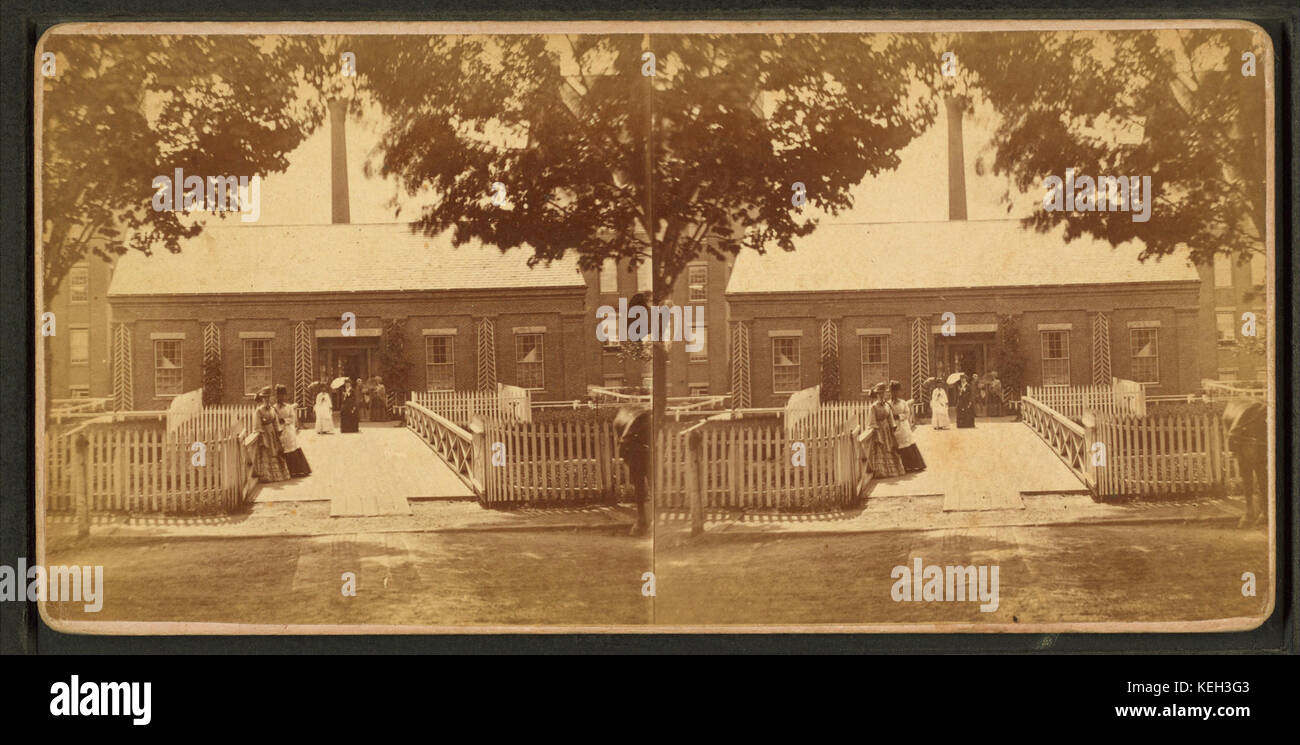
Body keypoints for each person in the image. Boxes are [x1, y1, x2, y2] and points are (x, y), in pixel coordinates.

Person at [1224, 400, 1267, 528]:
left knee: (1263, 476)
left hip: (1259, 441)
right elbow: (1232, 433)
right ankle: (1250, 511)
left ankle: (1265, 511)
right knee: (1250, 475)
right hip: (1248, 444)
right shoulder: (1248, 416)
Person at [614, 405, 652, 536]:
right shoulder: (633, 421)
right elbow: (624, 442)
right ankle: (642, 521)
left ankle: (643, 521)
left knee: (641, 488)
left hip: (640, 454)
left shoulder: (635, 420)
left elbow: (623, 443)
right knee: (641, 488)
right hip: (638, 454)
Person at [856, 382, 905, 478]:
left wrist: (892, 428)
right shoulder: (873, 407)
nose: (882, 395)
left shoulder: (887, 405)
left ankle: (891, 471)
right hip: (879, 430)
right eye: (880, 393)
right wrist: (876, 431)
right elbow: (871, 421)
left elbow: (890, 417)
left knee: (890, 448)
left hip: (887, 430)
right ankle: (881, 472)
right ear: (876, 394)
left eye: (883, 393)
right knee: (880, 449)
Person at [253, 387, 291, 482]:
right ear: (262, 399)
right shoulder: (259, 411)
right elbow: (257, 426)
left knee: (276, 452)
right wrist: (262, 436)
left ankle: (277, 476)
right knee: (267, 453)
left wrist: (278, 431)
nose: (267, 400)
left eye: (268, 398)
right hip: (265, 434)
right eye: (265, 398)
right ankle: (267, 476)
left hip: (273, 434)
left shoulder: (272, 409)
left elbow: (275, 422)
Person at [889, 380, 926, 472]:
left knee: (907, 442)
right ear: (891, 392)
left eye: (897, 391)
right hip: (894, 426)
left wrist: (899, 416)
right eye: (894, 391)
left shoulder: (903, 402)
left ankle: (913, 465)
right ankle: (903, 466)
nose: (896, 393)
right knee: (898, 444)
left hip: (903, 425)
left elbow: (907, 413)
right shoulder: (889, 403)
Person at [275, 384, 312, 477]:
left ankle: (297, 470)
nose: (281, 397)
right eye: (279, 395)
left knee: (292, 447)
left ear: (285, 396)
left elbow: (292, 418)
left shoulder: (289, 407)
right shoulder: (274, 408)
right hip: (279, 430)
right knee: (283, 449)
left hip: (288, 430)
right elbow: (273, 419)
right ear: (277, 396)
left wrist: (284, 420)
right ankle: (287, 471)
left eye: (283, 395)